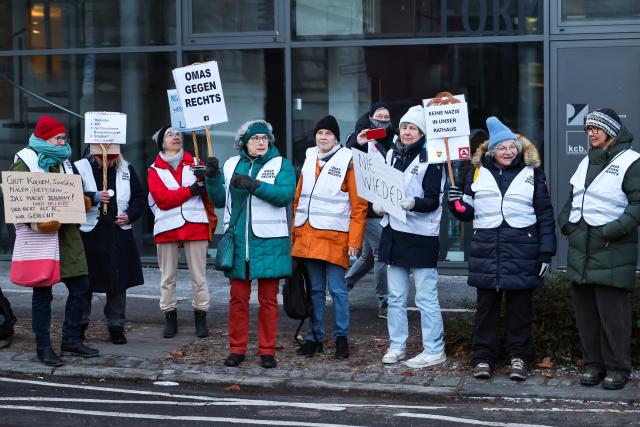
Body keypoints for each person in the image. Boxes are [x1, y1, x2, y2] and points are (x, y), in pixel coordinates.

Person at [447, 116, 556, 381]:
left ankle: (519, 358)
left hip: (523, 252)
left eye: (512, 146)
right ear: (492, 151)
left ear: (519, 149)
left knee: (520, 311)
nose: (508, 151)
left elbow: (545, 214)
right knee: (486, 311)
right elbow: (467, 211)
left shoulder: (533, 174)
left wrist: (546, 252)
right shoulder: (475, 172)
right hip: (488, 252)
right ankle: (482, 358)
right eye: (502, 147)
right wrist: (455, 204)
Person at [557, 108, 640, 390]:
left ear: (612, 131)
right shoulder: (585, 160)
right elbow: (574, 197)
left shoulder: (631, 161)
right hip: (582, 248)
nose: (591, 133)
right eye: (588, 128)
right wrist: (566, 223)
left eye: (596, 128)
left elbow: (638, 205)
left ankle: (618, 367)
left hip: (611, 248)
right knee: (587, 315)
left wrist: (612, 232)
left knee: (613, 315)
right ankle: (593, 364)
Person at [9, 114, 100, 366]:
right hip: (41, 235)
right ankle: (43, 346)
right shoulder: (24, 160)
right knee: (43, 293)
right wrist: (38, 222)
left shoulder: (66, 161)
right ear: (44, 137)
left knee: (81, 286)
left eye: (63, 138)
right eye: (58, 138)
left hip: (68, 234)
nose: (63, 142)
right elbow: (17, 199)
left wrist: (83, 200)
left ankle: (70, 339)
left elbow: (73, 191)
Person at [206, 120, 295, 369]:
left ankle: (267, 350)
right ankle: (237, 349)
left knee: (268, 301)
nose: (260, 142)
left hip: (270, 242)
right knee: (238, 300)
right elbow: (219, 200)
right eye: (255, 138)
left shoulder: (281, 164)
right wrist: (212, 177)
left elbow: (285, 195)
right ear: (244, 142)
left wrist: (254, 185)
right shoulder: (232, 164)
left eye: (264, 138)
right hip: (239, 242)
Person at [375, 105, 447, 369]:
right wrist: (379, 203)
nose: (407, 132)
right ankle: (397, 345)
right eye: (404, 127)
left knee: (425, 297)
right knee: (395, 297)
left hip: (421, 236)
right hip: (394, 234)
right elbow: (382, 186)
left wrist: (411, 202)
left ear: (422, 132)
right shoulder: (392, 154)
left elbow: (433, 201)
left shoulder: (432, 158)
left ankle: (435, 348)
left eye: (413, 128)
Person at [292, 115, 367, 359]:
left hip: (335, 238)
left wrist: (355, 241)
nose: (323, 137)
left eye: (328, 134)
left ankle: (341, 338)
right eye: (319, 133)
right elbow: (298, 198)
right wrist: (295, 233)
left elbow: (359, 205)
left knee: (337, 290)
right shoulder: (309, 157)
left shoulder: (348, 160)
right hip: (308, 236)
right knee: (314, 290)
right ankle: (315, 338)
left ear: (336, 137)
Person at [147, 126, 216, 338]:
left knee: (199, 276)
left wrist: (212, 176)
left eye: (178, 133)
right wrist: (191, 190)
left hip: (195, 225)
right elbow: (163, 200)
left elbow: (211, 192)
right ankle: (169, 316)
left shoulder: (196, 163)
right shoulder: (154, 170)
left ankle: (201, 316)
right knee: (167, 277)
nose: (176, 137)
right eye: (170, 134)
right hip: (167, 228)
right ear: (161, 143)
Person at [75, 146, 146, 344]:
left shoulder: (126, 169)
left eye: (113, 159)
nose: (109, 163)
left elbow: (140, 197)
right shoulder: (78, 168)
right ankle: (79, 325)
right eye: (105, 159)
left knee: (118, 282)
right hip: (89, 233)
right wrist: (93, 197)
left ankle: (116, 325)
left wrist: (130, 215)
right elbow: (69, 197)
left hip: (118, 233)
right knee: (84, 283)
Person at [345, 102, 394, 319]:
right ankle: (385, 301)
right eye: (379, 116)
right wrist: (360, 141)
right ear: (371, 117)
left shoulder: (393, 138)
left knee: (367, 256)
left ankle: (341, 287)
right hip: (367, 208)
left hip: (387, 205)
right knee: (383, 253)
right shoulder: (359, 137)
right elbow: (349, 155)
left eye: (387, 117)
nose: (383, 120)